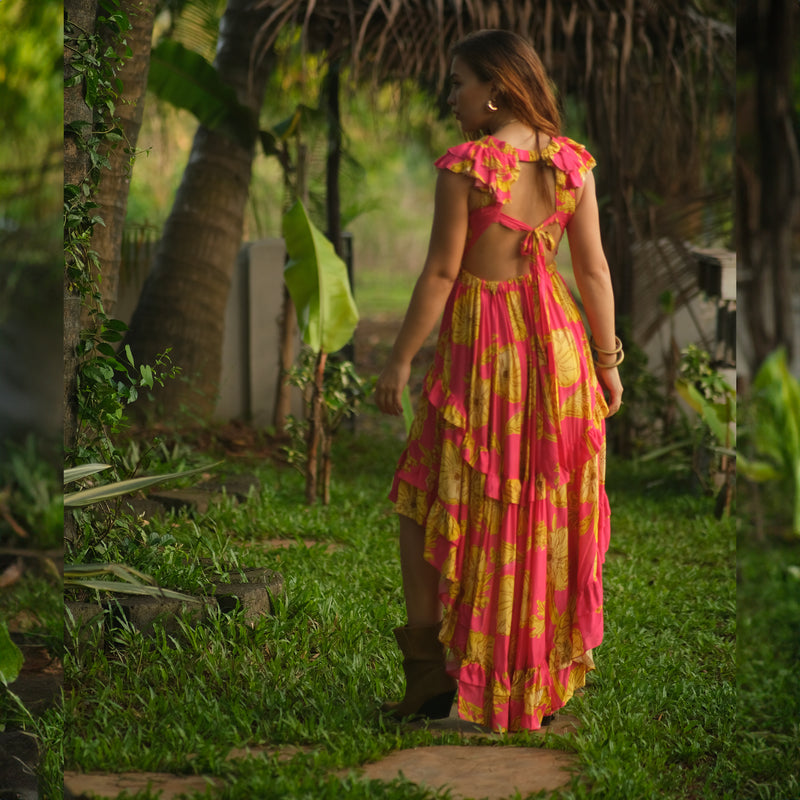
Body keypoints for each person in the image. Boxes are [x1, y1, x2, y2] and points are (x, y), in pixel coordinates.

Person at [375, 29, 624, 733]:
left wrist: (397, 361)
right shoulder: (573, 165)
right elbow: (595, 272)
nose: (451, 96)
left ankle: (432, 679)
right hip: (559, 352)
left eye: (458, 82)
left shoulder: (467, 167)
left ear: (496, 89)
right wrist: (608, 367)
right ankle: (523, 689)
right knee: (536, 517)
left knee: (425, 498)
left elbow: (442, 274)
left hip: (485, 356)